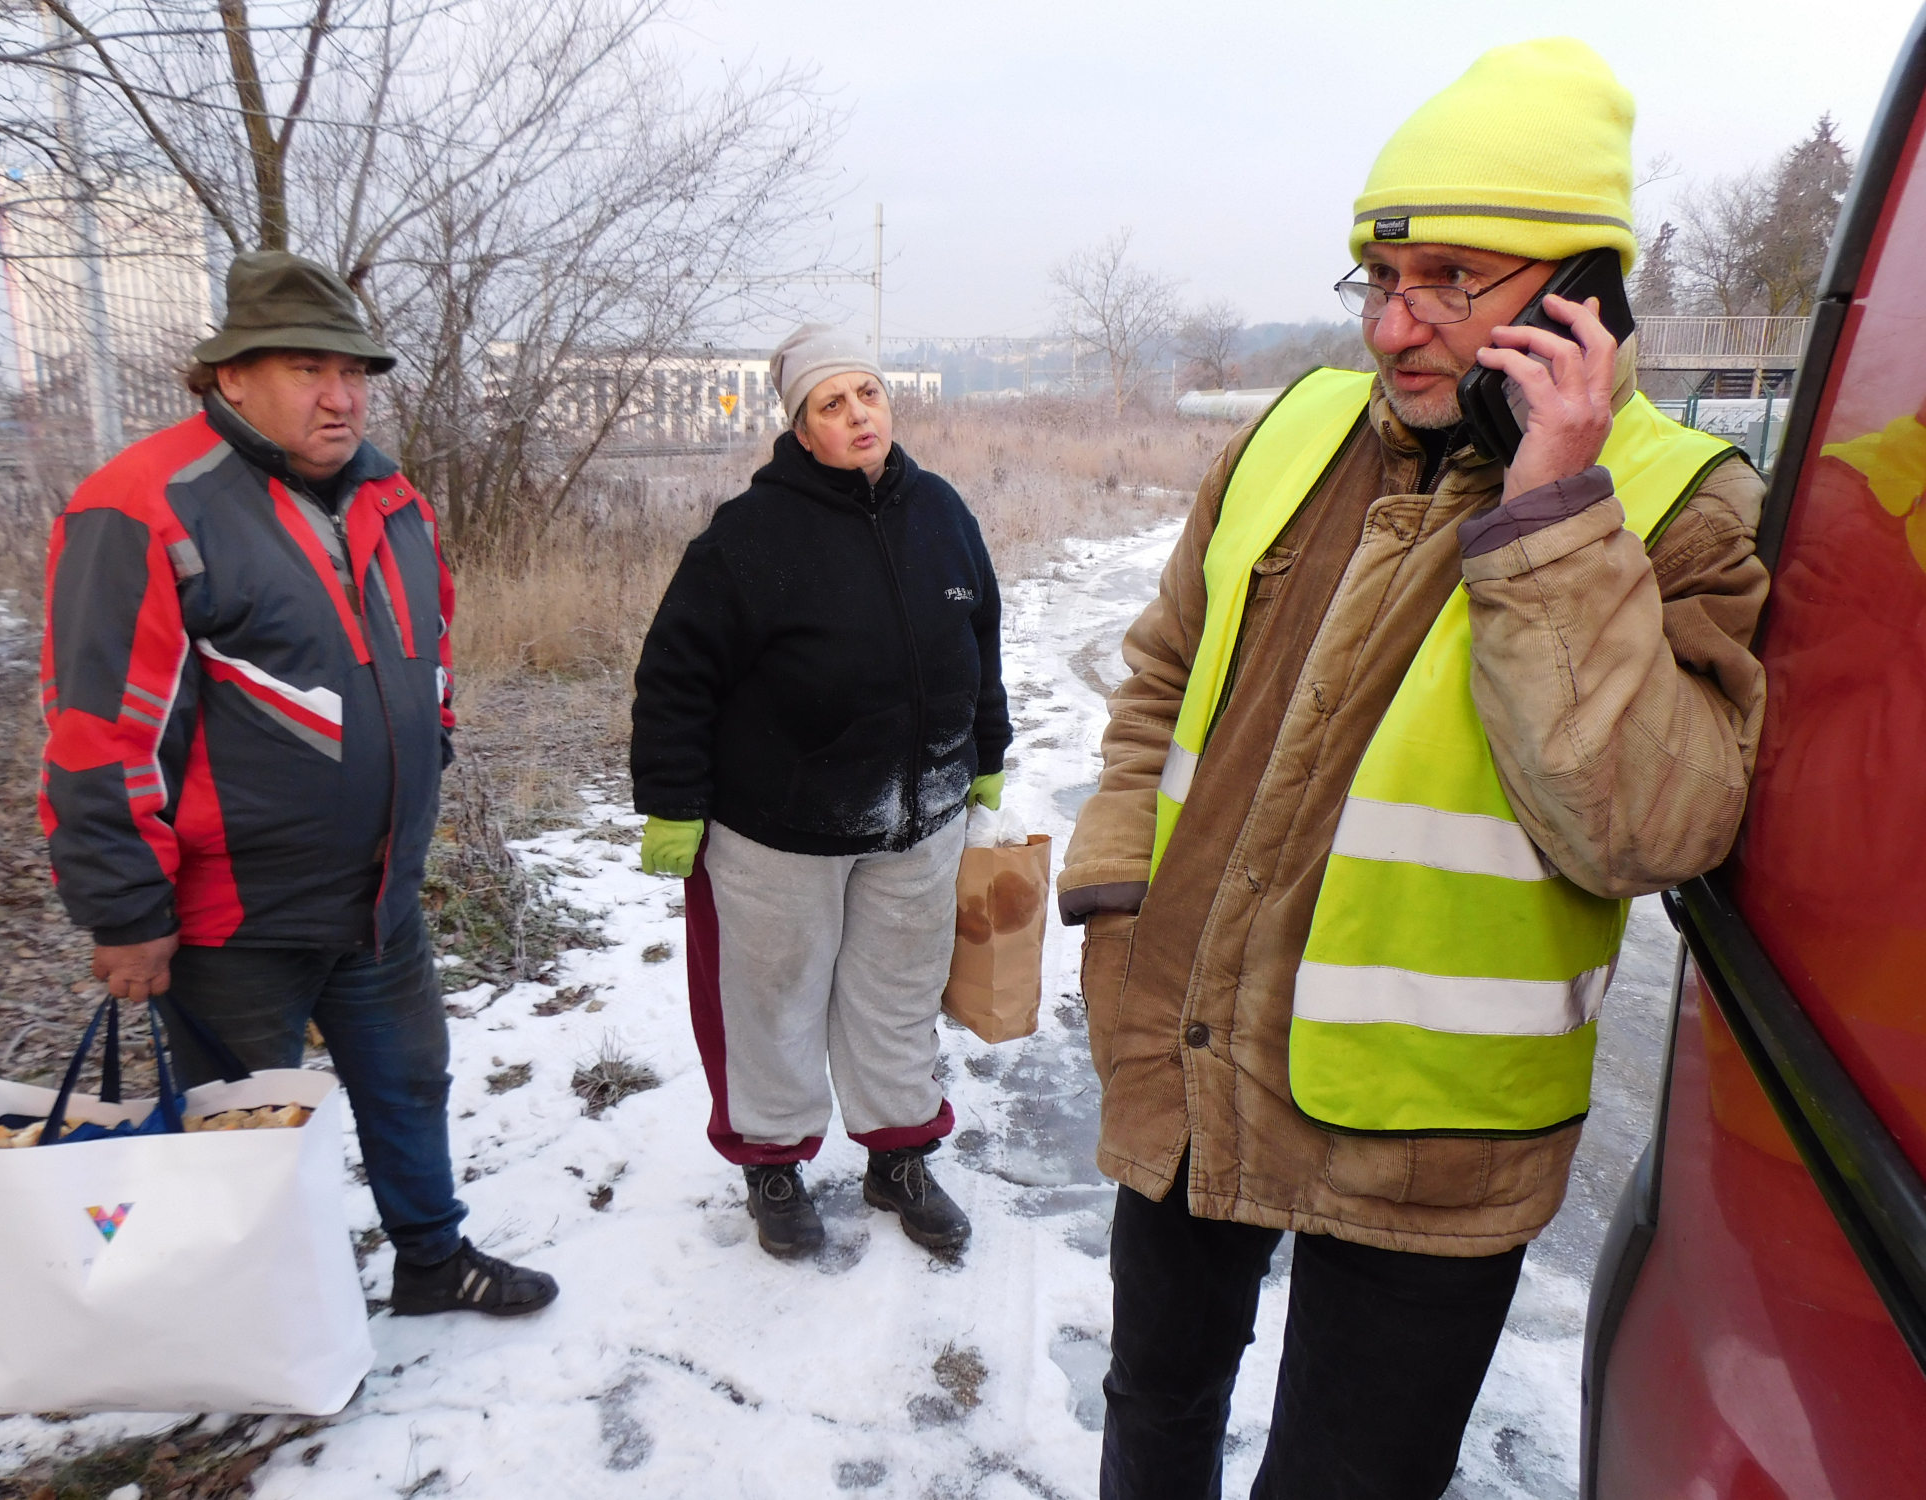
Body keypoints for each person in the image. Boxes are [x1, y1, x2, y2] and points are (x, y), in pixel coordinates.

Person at [1058, 39, 1769, 1500]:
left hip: (1433, 1136)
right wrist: (1120, 896)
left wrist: (1553, 515)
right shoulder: (1292, 433)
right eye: (1379, 281)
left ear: (1584, 295)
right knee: (1154, 1407)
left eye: (1450, 281)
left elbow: (1649, 828)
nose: (1394, 328)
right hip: (1190, 1041)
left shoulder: (1679, 509)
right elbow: (1158, 677)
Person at [39, 250, 557, 1319]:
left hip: (378, 898)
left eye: (353, 372)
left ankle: (431, 1259)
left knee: (410, 1085)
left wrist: (430, 744)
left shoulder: (391, 497)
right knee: (242, 1139)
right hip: (234, 922)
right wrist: (125, 911)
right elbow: (100, 730)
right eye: (308, 369)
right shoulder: (145, 504)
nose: (340, 396)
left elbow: (428, 651)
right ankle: (263, 1327)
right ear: (231, 376)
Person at [631, 324, 1010, 1260]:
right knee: (773, 1001)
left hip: (919, 818)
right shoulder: (748, 537)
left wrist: (986, 751)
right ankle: (772, 1163)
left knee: (899, 996)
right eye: (831, 405)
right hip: (778, 829)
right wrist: (673, 801)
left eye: (867, 394)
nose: (858, 416)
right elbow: (677, 674)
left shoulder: (941, 511)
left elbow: (981, 636)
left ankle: (899, 1157)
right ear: (802, 429)